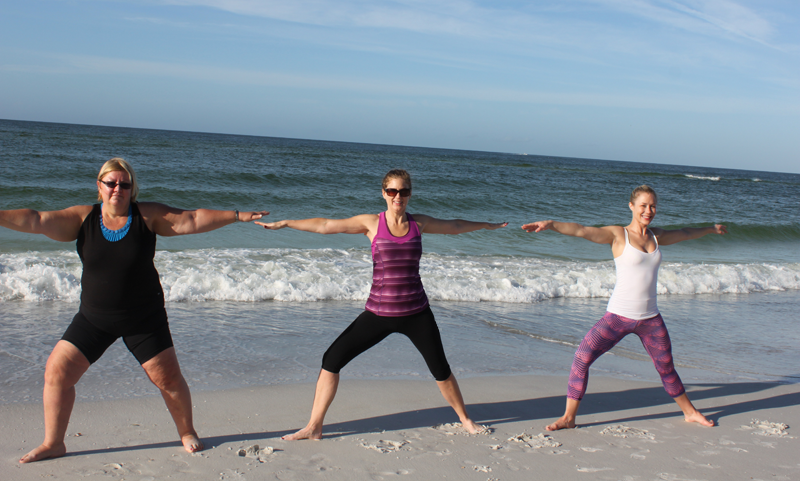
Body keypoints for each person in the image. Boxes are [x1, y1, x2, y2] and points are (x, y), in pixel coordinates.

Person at [0, 158, 268, 463]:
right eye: (111, 183)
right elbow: (36, 219)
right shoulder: (83, 218)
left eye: (124, 184)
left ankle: (187, 431)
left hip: (143, 319)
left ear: (132, 189)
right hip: (93, 319)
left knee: (167, 379)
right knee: (57, 373)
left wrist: (236, 215)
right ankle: (54, 443)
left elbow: (191, 219)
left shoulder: (146, 216)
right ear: (99, 186)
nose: (117, 189)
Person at [257, 169, 506, 439]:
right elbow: (326, 226)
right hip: (378, 313)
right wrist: (287, 223)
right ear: (384, 193)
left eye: (404, 191)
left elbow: (454, 226)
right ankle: (314, 426)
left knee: (440, 368)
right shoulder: (371, 223)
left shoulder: (418, 224)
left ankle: (465, 419)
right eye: (392, 191)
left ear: (410, 194)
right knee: (331, 360)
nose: (398, 196)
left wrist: (486, 225)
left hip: (417, 313)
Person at [522, 185, 726, 431]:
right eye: (643, 205)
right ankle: (569, 417)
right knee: (581, 358)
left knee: (666, 368)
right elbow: (583, 230)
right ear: (631, 206)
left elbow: (684, 232)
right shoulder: (619, 235)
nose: (648, 211)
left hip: (651, 319)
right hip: (618, 316)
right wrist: (551, 224)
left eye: (652, 206)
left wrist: (710, 229)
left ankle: (690, 412)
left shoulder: (656, 236)